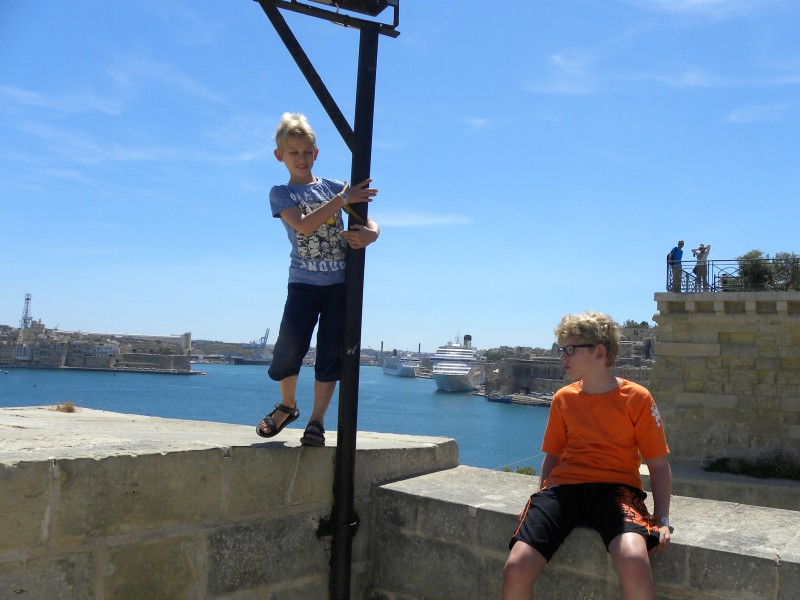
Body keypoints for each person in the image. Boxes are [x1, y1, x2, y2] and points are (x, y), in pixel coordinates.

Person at [503, 312, 672, 600]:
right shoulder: (563, 399)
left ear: (599, 352)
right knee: (516, 567)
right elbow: (553, 457)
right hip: (564, 490)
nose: (562, 356)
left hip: (617, 491)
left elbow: (657, 464)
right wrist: (538, 498)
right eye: (561, 349)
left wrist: (663, 518)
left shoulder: (638, 398)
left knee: (634, 561)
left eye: (570, 349)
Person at [256, 112, 380, 447]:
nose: (300, 158)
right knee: (288, 350)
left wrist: (371, 236)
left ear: (316, 153)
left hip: (339, 287)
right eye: (293, 152)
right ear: (280, 156)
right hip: (302, 285)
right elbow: (305, 225)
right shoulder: (281, 193)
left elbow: (370, 223)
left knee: (329, 355)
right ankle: (288, 405)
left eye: (306, 152)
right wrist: (342, 200)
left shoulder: (334, 187)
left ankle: (316, 421)